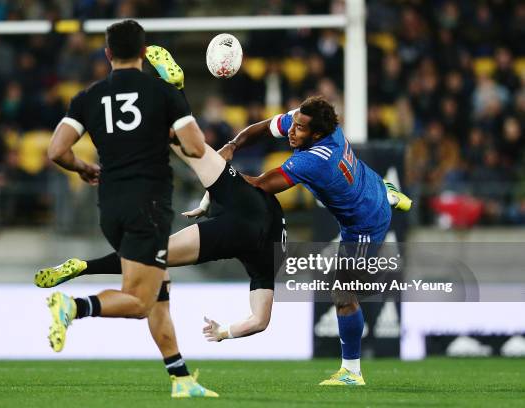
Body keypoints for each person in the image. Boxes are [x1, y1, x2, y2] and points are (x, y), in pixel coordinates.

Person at [37, 45, 286, 344]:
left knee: (192, 150)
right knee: (153, 258)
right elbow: (260, 322)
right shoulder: (266, 270)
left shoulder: (267, 222)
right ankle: (84, 267)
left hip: (242, 204)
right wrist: (222, 333)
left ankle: (174, 89)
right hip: (239, 232)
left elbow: (254, 184)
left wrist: (211, 195)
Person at [44, 21, 216, 398]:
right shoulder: (162, 92)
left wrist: (83, 167)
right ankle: (73, 306)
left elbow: (56, 150)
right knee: (139, 301)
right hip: (149, 205)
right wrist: (178, 100)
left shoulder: (87, 97)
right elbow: (197, 148)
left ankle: (181, 379)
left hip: (111, 207)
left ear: (107, 54)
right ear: (143, 53)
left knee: (158, 292)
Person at [216, 97, 411, 386]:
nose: (291, 132)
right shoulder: (316, 124)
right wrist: (233, 144)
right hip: (367, 184)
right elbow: (268, 126)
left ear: (316, 135)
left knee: (343, 294)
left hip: (365, 224)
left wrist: (215, 173)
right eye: (293, 125)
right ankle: (388, 192)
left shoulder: (314, 160)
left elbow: (259, 186)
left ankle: (351, 373)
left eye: (298, 129)